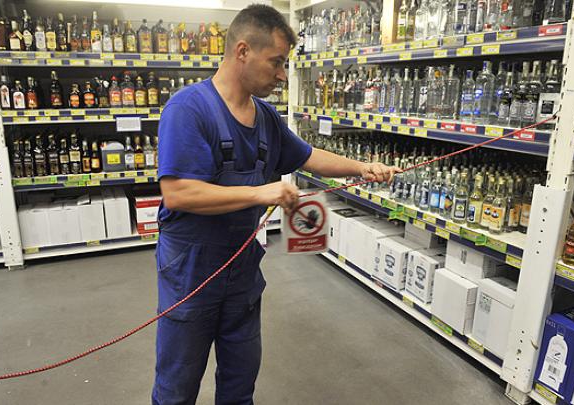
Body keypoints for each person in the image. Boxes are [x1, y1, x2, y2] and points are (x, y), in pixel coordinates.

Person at [153, 5, 399, 405]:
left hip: (243, 272)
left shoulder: (266, 117)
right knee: (177, 386)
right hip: (191, 273)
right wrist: (261, 192)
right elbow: (180, 193)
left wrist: (363, 167)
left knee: (239, 382)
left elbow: (307, 156)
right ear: (243, 51)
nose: (283, 75)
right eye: (277, 63)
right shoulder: (188, 109)